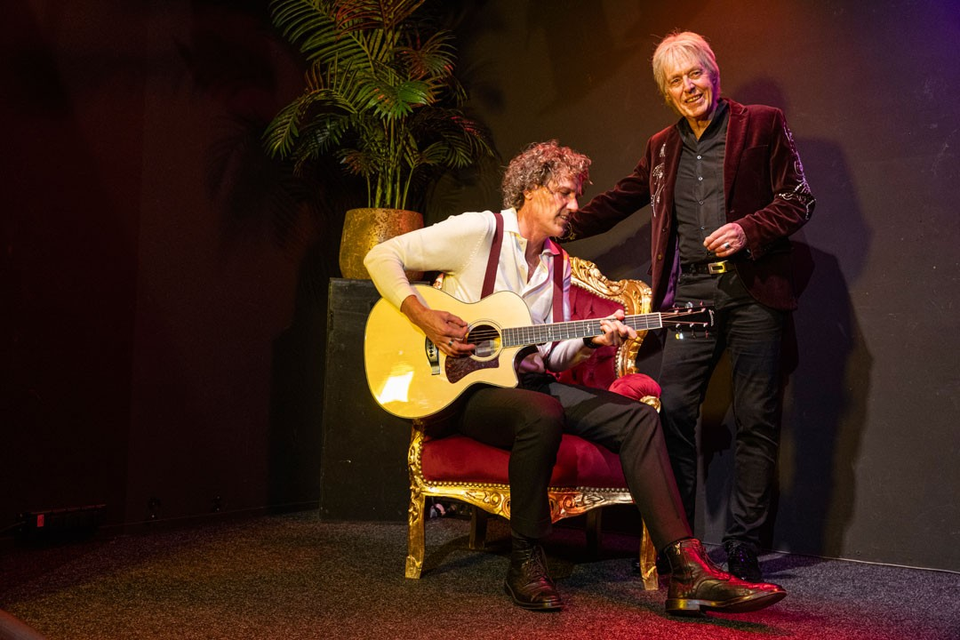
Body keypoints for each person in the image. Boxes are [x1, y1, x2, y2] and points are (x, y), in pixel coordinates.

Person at [364, 140, 786, 615]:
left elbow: (552, 355)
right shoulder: (479, 231)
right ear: (530, 190)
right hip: (459, 391)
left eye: (577, 195)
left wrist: (591, 340)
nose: (575, 206)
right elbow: (381, 256)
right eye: (564, 193)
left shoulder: (557, 264)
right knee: (541, 412)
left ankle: (687, 571)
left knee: (639, 419)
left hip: (524, 387)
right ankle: (525, 560)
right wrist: (421, 315)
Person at [565, 32, 815, 582]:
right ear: (666, 91)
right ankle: (683, 547)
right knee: (674, 412)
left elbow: (799, 199)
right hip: (692, 298)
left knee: (756, 419)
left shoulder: (762, 123)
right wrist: (557, 225)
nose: (688, 87)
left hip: (753, 292)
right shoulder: (661, 146)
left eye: (694, 74)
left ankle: (744, 545)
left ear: (712, 73)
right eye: (675, 81)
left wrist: (749, 229)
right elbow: (619, 201)